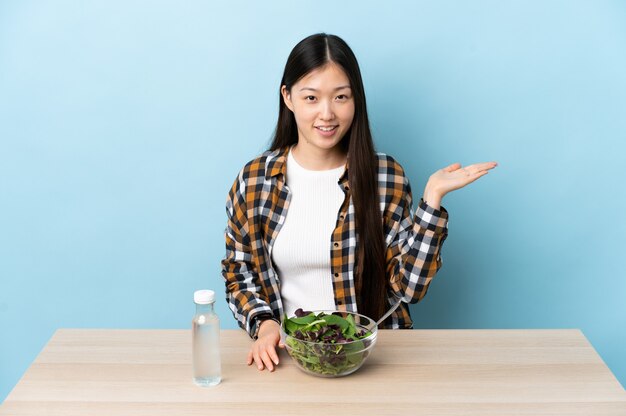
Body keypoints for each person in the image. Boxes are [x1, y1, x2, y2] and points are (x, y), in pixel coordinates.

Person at [221, 33, 497, 373]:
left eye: (341, 97)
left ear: (356, 100)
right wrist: (264, 325)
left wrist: (432, 203)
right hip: (289, 359)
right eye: (311, 97)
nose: (327, 113)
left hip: (371, 361)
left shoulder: (385, 176)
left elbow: (408, 287)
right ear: (288, 97)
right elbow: (239, 270)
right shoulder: (255, 181)